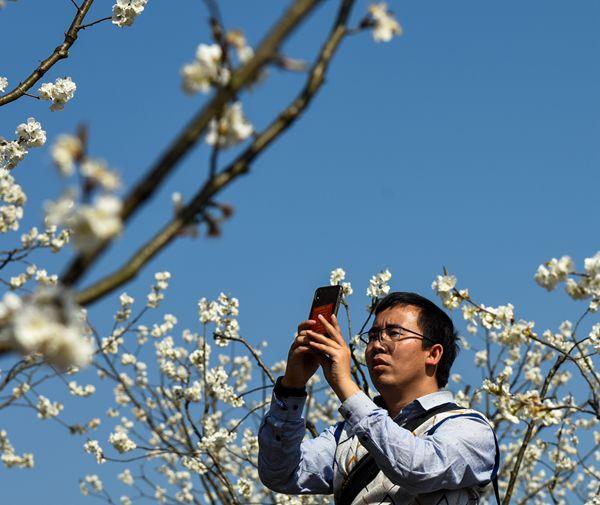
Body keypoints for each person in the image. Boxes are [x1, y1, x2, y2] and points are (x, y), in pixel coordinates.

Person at [258, 291, 500, 505]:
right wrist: (292, 387)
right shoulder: (348, 435)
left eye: (394, 333)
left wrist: (345, 385)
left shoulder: (470, 428)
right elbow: (282, 474)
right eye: (373, 335)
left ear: (433, 354)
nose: (377, 344)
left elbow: (417, 468)